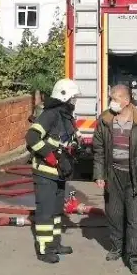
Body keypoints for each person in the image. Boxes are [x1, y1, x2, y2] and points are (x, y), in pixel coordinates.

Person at [92, 84, 137, 274]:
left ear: (127, 100)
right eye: (111, 98)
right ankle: (116, 247)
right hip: (113, 174)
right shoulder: (105, 119)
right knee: (114, 213)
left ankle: (134, 257)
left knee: (136, 218)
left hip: (136, 175)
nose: (111, 102)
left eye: (115, 98)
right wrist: (99, 174)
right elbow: (98, 150)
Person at [24, 78, 79, 264]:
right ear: (64, 96)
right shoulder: (50, 114)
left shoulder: (66, 115)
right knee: (46, 212)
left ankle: (55, 244)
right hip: (45, 172)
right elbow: (32, 136)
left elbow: (65, 139)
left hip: (59, 172)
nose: (74, 101)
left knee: (56, 211)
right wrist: (49, 155)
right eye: (73, 98)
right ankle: (44, 248)